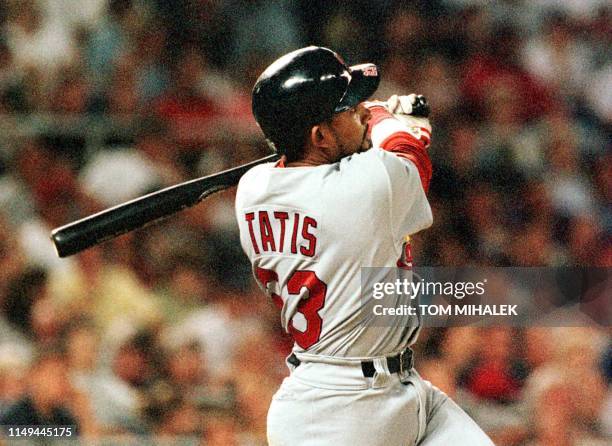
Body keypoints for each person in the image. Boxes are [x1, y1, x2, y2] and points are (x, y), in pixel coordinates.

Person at [235, 46, 493, 445]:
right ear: (319, 136)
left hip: (393, 389)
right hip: (340, 414)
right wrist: (390, 119)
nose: (360, 110)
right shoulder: (363, 187)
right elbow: (410, 156)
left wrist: (363, 121)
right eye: (348, 107)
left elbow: (344, 157)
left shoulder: (252, 189)